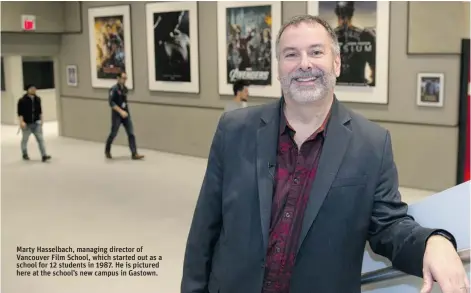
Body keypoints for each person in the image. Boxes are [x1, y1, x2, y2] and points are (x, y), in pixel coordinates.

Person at [181, 15, 469, 293]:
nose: (304, 64)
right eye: (291, 54)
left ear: (337, 63)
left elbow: (388, 225)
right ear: (279, 67)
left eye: (316, 52)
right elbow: (204, 229)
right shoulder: (234, 130)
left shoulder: (371, 143)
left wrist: (433, 242)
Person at [334, 1, 376, 86]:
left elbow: (374, 70)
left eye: (345, 16)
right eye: (342, 16)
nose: (344, 20)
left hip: (356, 85)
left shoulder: (365, 36)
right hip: (343, 86)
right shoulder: (331, 36)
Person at [105, 72, 144, 160]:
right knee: (113, 133)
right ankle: (107, 150)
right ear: (118, 78)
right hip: (117, 115)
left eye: (126, 78)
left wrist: (125, 112)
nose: (125, 80)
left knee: (131, 133)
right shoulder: (113, 89)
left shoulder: (125, 89)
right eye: (123, 78)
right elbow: (111, 103)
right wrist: (120, 111)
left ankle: (134, 153)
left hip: (126, 114)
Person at [17, 84, 51, 162]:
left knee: (40, 139)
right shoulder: (22, 100)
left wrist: (41, 120)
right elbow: (20, 113)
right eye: (32, 88)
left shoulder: (37, 99)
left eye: (35, 89)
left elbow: (40, 111)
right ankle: (24, 153)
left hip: (36, 123)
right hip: (27, 123)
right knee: (25, 140)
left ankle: (44, 155)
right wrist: (21, 122)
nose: (34, 90)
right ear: (28, 90)